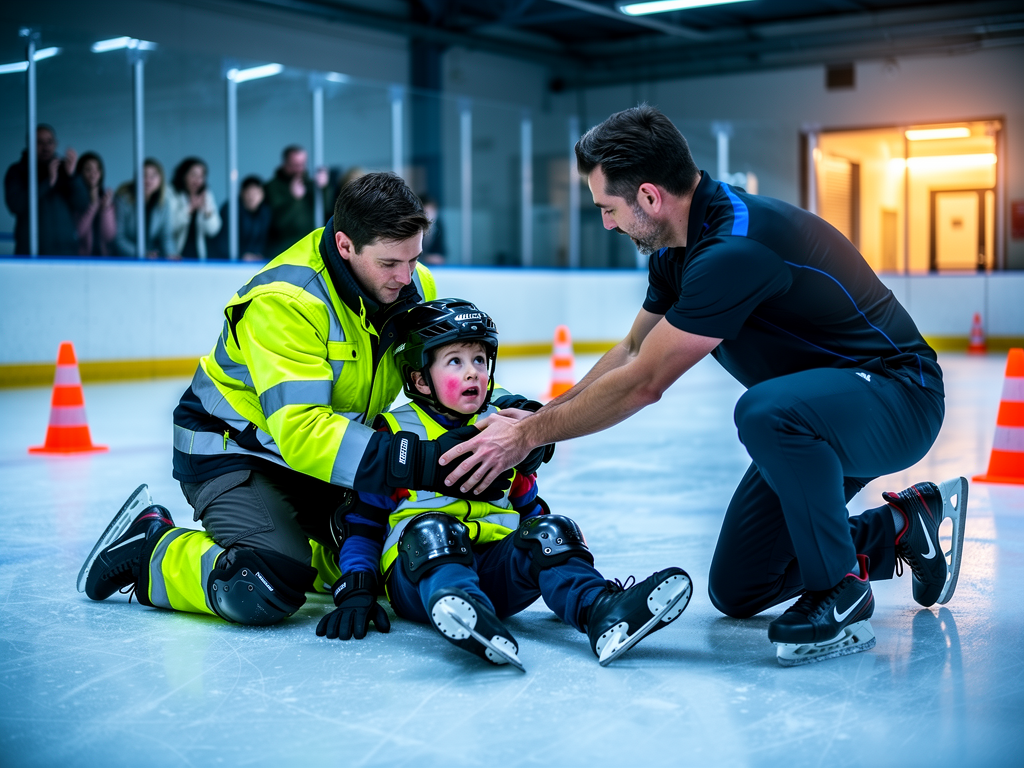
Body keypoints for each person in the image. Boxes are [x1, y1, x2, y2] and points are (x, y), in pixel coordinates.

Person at [439, 105, 969, 667]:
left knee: (764, 411)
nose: (607, 225)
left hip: (897, 397)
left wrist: (527, 438)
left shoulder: (733, 248)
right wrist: (540, 418)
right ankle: (903, 525)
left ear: (649, 197)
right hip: (820, 421)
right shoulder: (677, 252)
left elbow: (644, 382)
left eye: (608, 209)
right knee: (741, 587)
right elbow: (633, 350)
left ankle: (842, 593)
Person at [78, 173, 519, 633]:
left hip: (324, 456)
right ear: (345, 245)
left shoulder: (410, 284)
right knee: (263, 582)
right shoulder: (286, 301)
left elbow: (440, 374)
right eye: (390, 262)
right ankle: (151, 548)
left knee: (383, 547)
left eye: (414, 258)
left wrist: (511, 416)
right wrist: (419, 461)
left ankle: (314, 556)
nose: (406, 277)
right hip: (233, 449)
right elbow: (304, 431)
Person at [326, 298, 692, 669]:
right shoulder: (396, 433)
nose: (473, 373)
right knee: (433, 532)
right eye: (455, 361)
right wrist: (357, 587)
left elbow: (529, 506)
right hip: (420, 578)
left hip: (495, 572)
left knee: (551, 530)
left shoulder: (506, 429)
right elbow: (365, 523)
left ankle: (601, 610)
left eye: (479, 360)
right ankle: (462, 608)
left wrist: (560, 558)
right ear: (420, 378)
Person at [4, 123, 89, 255]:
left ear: (56, 144)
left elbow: (83, 204)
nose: (46, 147)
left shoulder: (65, 170)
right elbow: (16, 205)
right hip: (30, 254)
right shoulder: (17, 171)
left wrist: (72, 176)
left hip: (66, 253)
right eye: (39, 142)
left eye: (50, 142)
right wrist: (47, 183)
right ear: (29, 144)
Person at [264, 145, 329, 257]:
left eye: (302, 164)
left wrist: (324, 188)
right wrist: (293, 199)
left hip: (310, 247)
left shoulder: (311, 185)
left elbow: (327, 210)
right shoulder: (272, 187)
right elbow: (276, 223)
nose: (299, 169)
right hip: (282, 249)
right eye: (295, 165)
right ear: (285, 163)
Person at [113, 158, 176, 258]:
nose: (148, 179)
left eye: (153, 175)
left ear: (161, 179)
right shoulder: (123, 200)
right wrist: (142, 254)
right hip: (125, 257)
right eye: (144, 175)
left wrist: (171, 255)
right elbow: (118, 238)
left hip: (151, 257)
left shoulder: (164, 203)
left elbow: (166, 237)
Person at [169, 157, 221, 260]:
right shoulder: (171, 193)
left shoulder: (206, 195)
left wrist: (207, 211)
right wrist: (189, 209)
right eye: (193, 175)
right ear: (183, 175)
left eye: (201, 176)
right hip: (174, 256)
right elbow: (169, 227)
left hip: (198, 256)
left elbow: (213, 230)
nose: (197, 180)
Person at [211, 175, 271, 261]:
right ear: (242, 193)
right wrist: (241, 255)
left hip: (255, 261)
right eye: (249, 193)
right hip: (227, 261)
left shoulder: (265, 212)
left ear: (263, 195)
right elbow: (223, 241)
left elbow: (263, 240)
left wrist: (258, 255)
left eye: (256, 193)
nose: (252, 197)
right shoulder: (230, 210)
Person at [74, 151, 117, 257]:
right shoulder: (74, 197)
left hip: (104, 259)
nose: (93, 173)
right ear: (80, 172)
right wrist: (93, 206)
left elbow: (109, 236)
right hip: (80, 259)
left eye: (97, 169)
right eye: (88, 169)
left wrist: (105, 209)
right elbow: (77, 233)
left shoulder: (106, 198)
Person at [418, 194, 446, 265]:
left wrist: (438, 257)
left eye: (432, 210)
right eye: (426, 211)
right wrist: (425, 258)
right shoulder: (412, 228)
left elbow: (441, 250)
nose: (429, 215)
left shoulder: (438, 226)